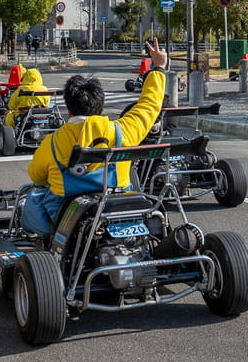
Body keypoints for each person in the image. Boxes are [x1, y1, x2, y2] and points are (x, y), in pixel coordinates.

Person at [21, 38, 167, 236]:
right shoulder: (123, 131)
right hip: (117, 212)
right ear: (100, 106)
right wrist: (158, 68)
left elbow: (36, 176)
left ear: (69, 109)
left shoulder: (52, 143)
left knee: (32, 198)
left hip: (66, 223)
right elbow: (149, 104)